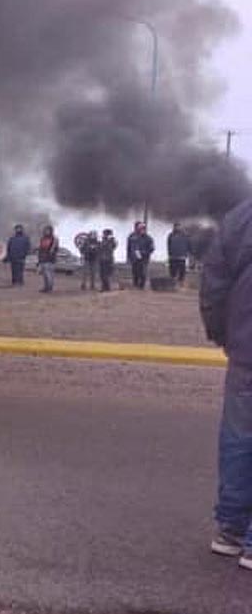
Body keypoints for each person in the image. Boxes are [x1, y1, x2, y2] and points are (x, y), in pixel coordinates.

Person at [200, 198, 252, 570]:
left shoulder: (239, 217)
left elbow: (214, 284)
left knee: (239, 435)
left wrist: (222, 334)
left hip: (246, 348)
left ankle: (230, 531)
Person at [127, 221, 154, 290]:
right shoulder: (131, 236)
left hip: (144, 258)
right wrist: (129, 257)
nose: (140, 229)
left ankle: (141, 286)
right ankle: (135, 285)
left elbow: (151, 248)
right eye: (138, 227)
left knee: (143, 273)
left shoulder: (148, 238)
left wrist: (143, 253)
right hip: (134, 258)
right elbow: (129, 247)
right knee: (135, 272)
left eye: (142, 228)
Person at [168, 222, 192, 287]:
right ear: (174, 227)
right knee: (172, 272)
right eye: (176, 226)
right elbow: (168, 245)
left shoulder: (185, 235)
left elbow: (189, 245)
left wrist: (188, 254)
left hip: (182, 256)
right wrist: (169, 254)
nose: (177, 228)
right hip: (173, 257)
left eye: (179, 226)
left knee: (182, 272)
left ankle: (181, 283)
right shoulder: (171, 235)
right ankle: (172, 283)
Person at [36, 225, 58, 293]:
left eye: (48, 230)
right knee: (45, 275)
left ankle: (50, 288)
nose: (46, 232)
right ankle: (46, 287)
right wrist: (39, 259)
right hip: (43, 259)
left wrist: (50, 255)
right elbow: (40, 249)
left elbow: (54, 249)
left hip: (50, 259)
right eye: (46, 230)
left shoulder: (54, 239)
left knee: (49, 274)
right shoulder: (42, 239)